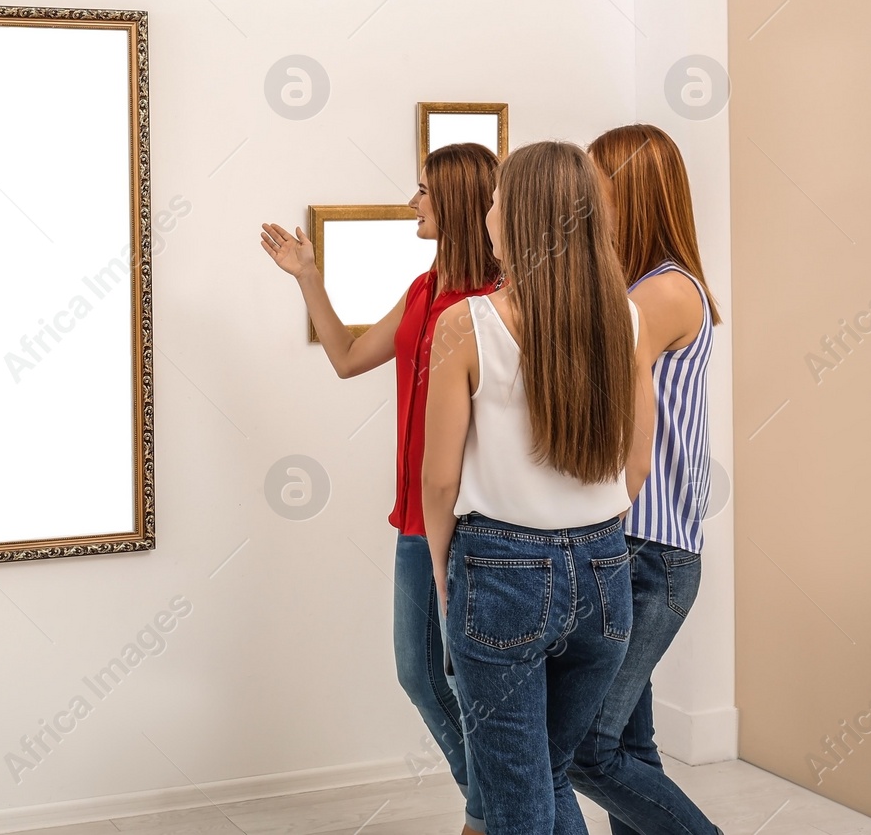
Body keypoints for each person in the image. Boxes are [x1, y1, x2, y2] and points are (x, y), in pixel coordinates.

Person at [261, 143, 500, 835]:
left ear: (454, 202)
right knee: (421, 675)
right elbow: (344, 357)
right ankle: (490, 805)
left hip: (474, 523)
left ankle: (490, 814)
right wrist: (307, 275)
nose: (412, 201)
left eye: (423, 191)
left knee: (471, 684)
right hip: (414, 520)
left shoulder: (493, 304)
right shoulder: (424, 293)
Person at [420, 140, 656, 835]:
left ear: (516, 217)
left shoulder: (466, 325)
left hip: (501, 571)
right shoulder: (629, 318)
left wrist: (442, 567)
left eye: (494, 200)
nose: (486, 210)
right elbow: (637, 460)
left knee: (516, 798)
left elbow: (439, 479)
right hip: (607, 567)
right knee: (547, 776)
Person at [567, 124, 722, 835]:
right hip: (643, 547)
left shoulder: (657, 294)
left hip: (643, 551)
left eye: (599, 183)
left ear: (629, 190)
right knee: (627, 747)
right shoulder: (649, 287)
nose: (588, 198)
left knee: (585, 751)